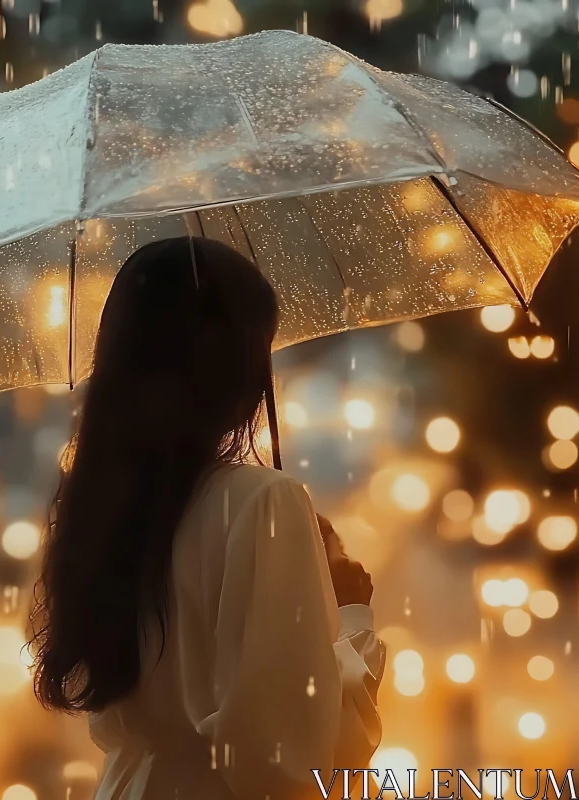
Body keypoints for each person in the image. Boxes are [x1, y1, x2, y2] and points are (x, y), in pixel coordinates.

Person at [30, 236, 386, 800]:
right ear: (232, 364)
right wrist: (348, 619)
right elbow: (289, 764)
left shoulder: (103, 506)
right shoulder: (263, 501)